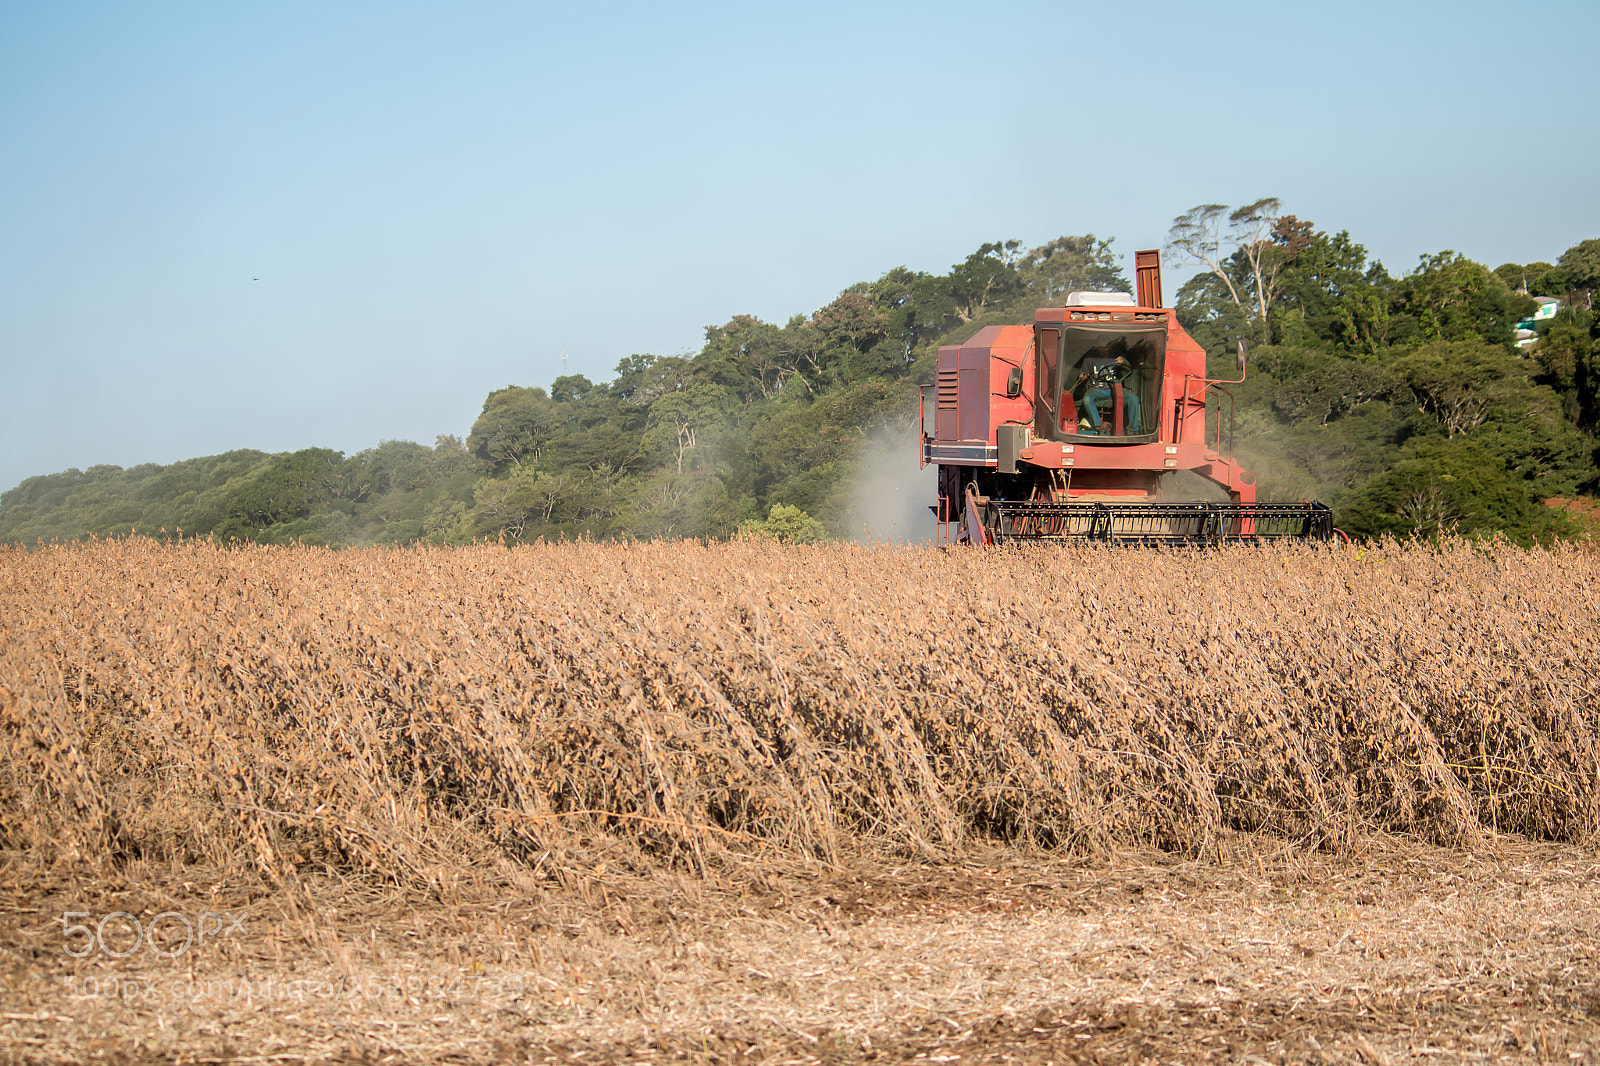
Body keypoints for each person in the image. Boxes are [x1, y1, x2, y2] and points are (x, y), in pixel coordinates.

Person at [1075, 355, 1140, 434]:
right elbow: (1082, 375)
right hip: (1097, 389)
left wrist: (1123, 362)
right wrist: (1083, 376)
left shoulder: (1117, 357)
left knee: (1133, 398)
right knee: (1087, 399)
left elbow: (1128, 369)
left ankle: (1133, 429)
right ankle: (1099, 427)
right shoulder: (1089, 360)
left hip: (1115, 387)